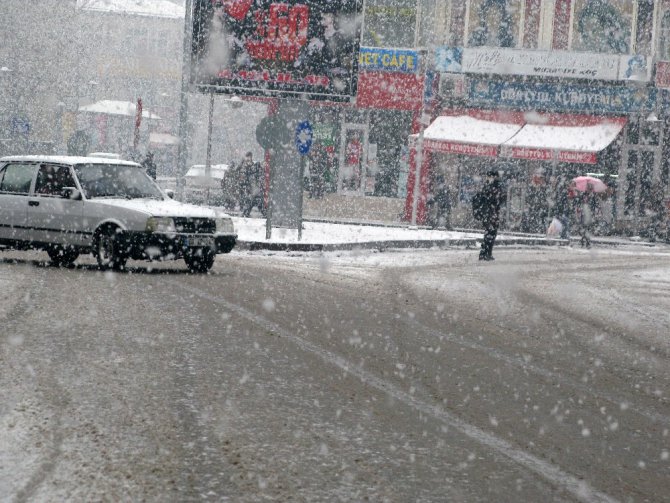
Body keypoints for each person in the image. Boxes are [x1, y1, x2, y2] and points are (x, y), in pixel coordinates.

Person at [477, 170, 506, 261]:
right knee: (489, 233)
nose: (488, 178)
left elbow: (500, 198)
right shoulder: (489, 186)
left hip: (492, 213)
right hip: (489, 214)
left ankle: (486, 252)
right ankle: (485, 253)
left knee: (490, 233)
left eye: (490, 177)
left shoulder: (495, 186)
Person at [238, 152, 265, 218]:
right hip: (252, 189)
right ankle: (245, 213)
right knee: (253, 202)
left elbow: (255, 178)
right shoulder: (245, 166)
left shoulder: (253, 167)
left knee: (253, 202)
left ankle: (245, 213)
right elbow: (243, 177)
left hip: (254, 189)